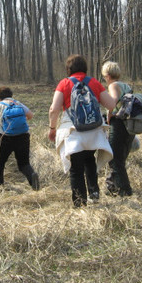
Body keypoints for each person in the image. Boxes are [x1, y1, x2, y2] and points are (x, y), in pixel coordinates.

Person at [47, 54, 117, 207]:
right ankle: (94, 192)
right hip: (93, 131)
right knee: (89, 159)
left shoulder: (64, 83)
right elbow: (111, 105)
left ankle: (80, 203)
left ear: (68, 69)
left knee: (76, 168)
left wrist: (52, 128)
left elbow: (54, 109)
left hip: (73, 131)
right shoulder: (93, 82)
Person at [0, 87, 40, 190]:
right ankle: (32, 177)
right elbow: (30, 115)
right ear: (11, 95)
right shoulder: (19, 104)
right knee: (24, 164)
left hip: (6, 138)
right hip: (23, 136)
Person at [101, 61, 135, 196]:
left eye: (104, 76)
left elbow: (113, 102)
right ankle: (113, 187)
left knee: (114, 158)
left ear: (108, 75)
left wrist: (109, 115)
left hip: (119, 124)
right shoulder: (126, 85)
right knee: (120, 158)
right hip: (129, 125)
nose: (104, 78)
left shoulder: (113, 85)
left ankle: (125, 190)